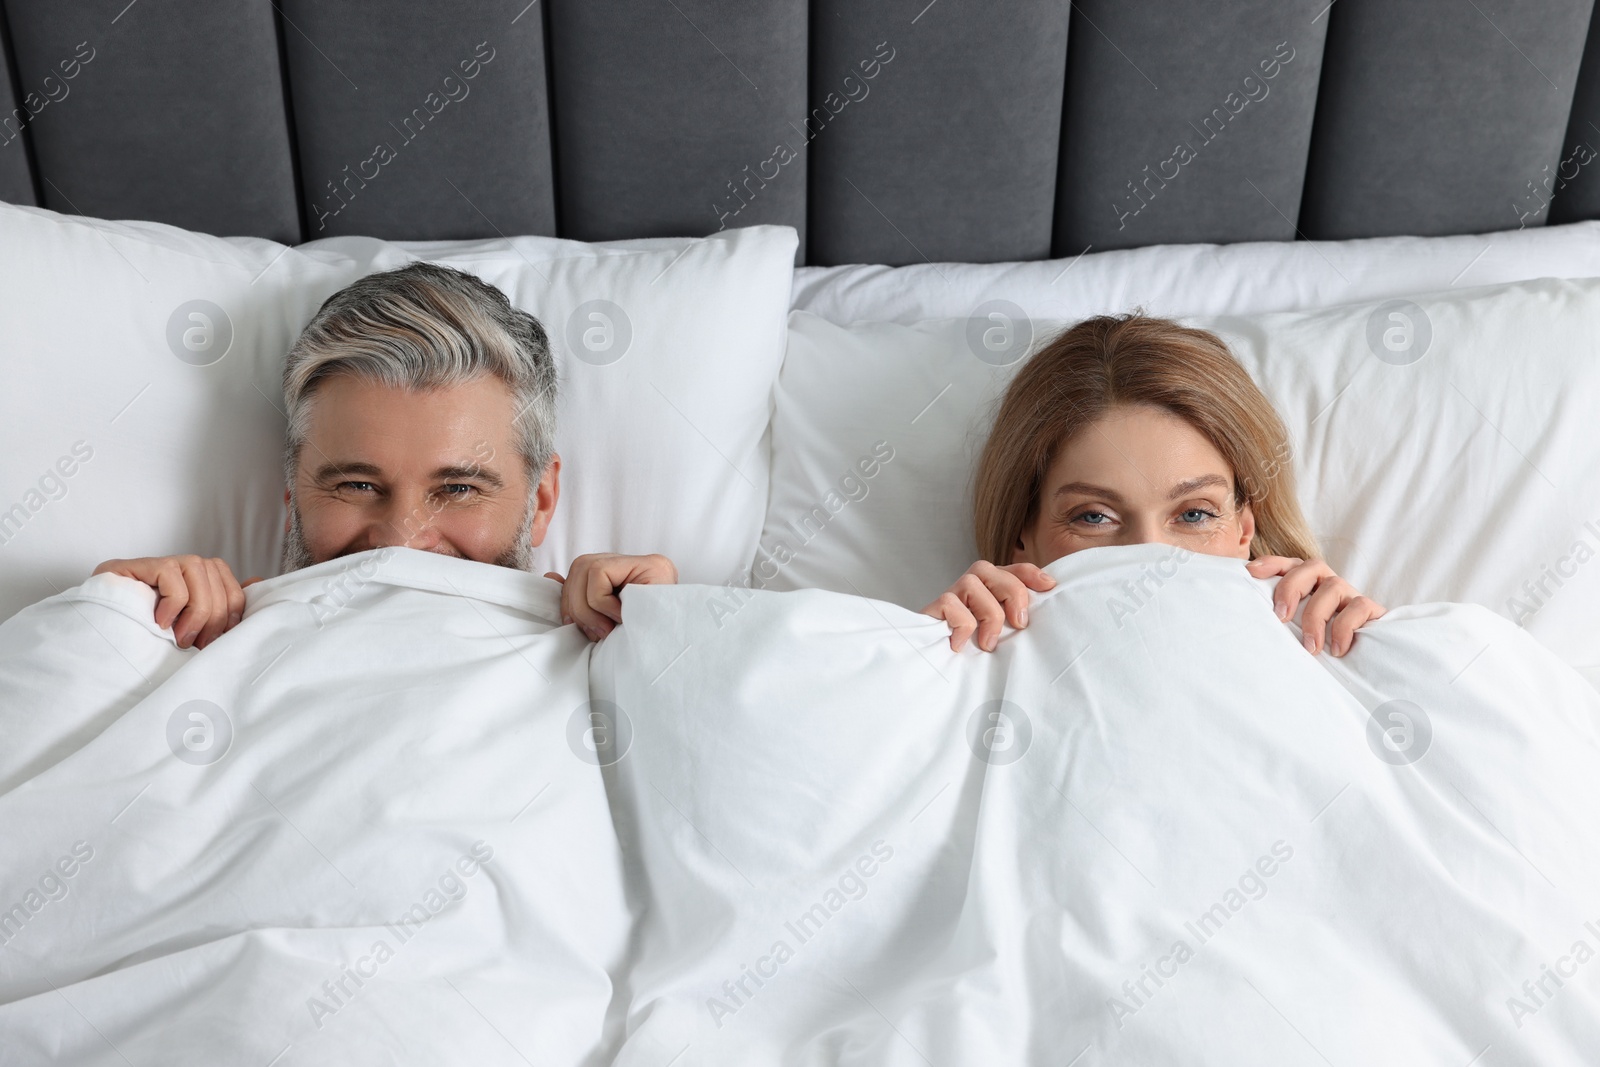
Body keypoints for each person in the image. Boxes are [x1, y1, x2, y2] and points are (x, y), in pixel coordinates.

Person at [91, 263, 673, 650]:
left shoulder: (609, 659)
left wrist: (665, 635)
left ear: (541, 499)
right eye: (357, 485)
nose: (400, 541)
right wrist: (106, 628)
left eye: (458, 489)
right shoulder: (189, 652)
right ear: (292, 493)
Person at [921, 313, 1385, 656]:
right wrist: (917, 659)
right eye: (1094, 517)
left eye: (1194, 514)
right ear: (1023, 537)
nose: (1149, 557)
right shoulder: (953, 667)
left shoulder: (1331, 648)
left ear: (1245, 529)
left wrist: (1380, 653)